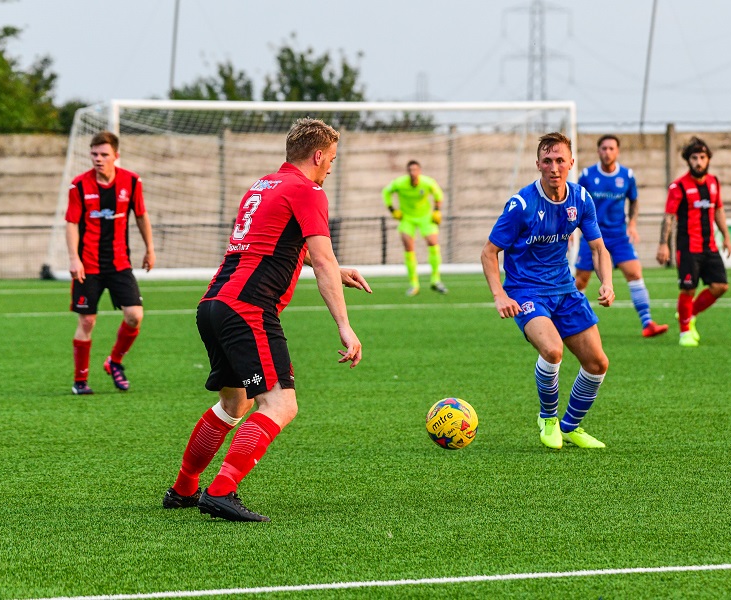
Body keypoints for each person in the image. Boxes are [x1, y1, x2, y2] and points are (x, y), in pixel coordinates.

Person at [163, 118, 372, 522]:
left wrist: (335, 269)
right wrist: (345, 326)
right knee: (280, 403)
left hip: (214, 303)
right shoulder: (308, 190)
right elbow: (322, 256)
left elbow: (280, 245)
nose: (331, 166)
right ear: (317, 155)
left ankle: (184, 488)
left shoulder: (264, 185)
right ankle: (221, 491)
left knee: (232, 403)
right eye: (331, 158)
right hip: (249, 309)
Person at [481, 132, 615, 450]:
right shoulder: (521, 205)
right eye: (547, 161)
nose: (554, 167)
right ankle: (548, 418)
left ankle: (570, 426)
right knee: (553, 350)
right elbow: (489, 252)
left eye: (560, 160)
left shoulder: (581, 199)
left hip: (565, 289)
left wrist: (606, 282)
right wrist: (500, 295)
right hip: (526, 291)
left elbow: (598, 249)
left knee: (598, 363)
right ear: (538, 164)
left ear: (571, 163)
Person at [65, 131, 155, 395]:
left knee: (134, 315)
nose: (98, 159)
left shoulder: (132, 182)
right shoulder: (79, 186)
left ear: (116, 155)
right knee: (87, 322)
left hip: (119, 264)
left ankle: (114, 361)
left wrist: (150, 249)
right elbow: (71, 223)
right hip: (88, 265)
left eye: (104, 154)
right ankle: (80, 382)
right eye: (94, 154)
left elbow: (141, 215)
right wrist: (74, 258)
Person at [576, 135, 669, 338]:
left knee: (635, 273)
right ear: (598, 151)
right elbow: (576, 203)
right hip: (593, 236)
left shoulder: (627, 175)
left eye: (611, 148)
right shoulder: (587, 175)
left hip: (618, 235)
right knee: (581, 281)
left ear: (617, 151)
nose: (607, 152)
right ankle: (574, 323)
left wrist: (633, 224)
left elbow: (634, 201)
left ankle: (647, 323)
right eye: (603, 148)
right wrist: (572, 231)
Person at [656, 136, 731, 347]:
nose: (698, 162)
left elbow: (718, 210)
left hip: (710, 246)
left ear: (708, 159)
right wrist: (663, 244)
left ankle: (689, 314)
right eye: (694, 158)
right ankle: (685, 333)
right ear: (687, 160)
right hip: (688, 247)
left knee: (720, 286)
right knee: (688, 290)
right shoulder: (678, 186)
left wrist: (726, 236)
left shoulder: (714, 183)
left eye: (702, 157)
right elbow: (669, 216)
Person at [382, 160, 447, 296]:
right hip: (407, 218)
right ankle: (414, 284)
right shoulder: (399, 183)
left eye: (415, 170)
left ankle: (436, 280)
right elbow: (386, 192)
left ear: (419, 171)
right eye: (410, 170)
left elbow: (438, 195)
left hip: (425, 218)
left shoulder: (428, 182)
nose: (413, 173)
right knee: (408, 247)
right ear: (408, 172)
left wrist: (437, 211)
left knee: (433, 243)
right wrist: (392, 209)